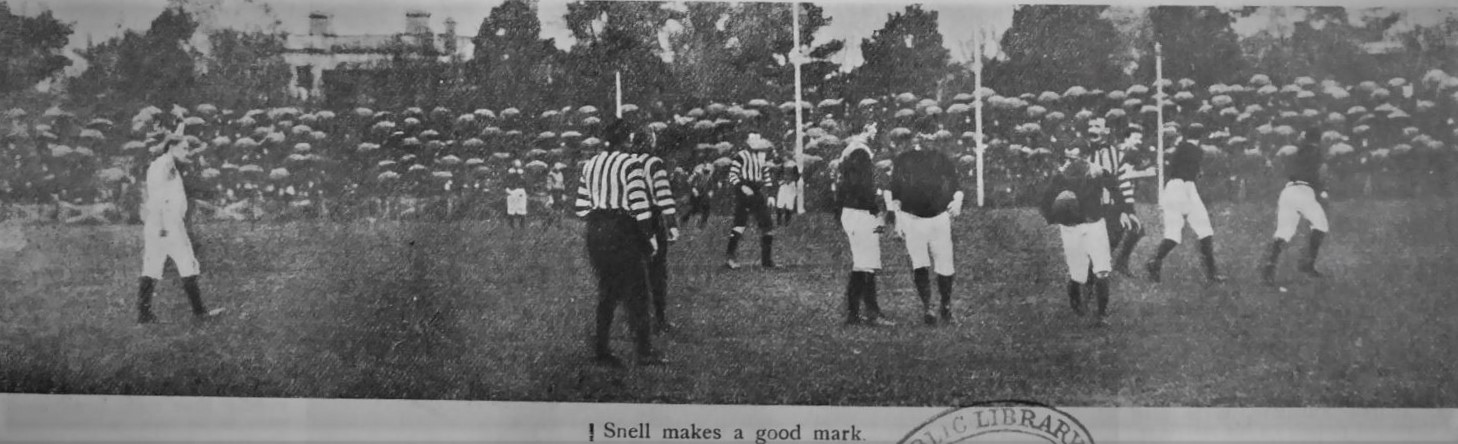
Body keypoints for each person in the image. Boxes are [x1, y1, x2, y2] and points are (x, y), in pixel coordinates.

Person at [574, 119, 663, 367]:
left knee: (607, 290)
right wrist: (650, 237)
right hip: (621, 230)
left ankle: (601, 349)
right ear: (627, 140)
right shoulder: (630, 164)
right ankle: (644, 351)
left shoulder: (590, 164)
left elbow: (581, 207)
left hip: (595, 230)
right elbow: (640, 206)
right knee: (637, 292)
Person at [136, 130, 224, 324]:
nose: (187, 152)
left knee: (154, 267)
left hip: (163, 223)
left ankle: (144, 315)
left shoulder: (167, 164)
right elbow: (158, 198)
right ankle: (199, 313)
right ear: (172, 147)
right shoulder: (163, 166)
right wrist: (163, 226)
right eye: (184, 148)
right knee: (185, 264)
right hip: (166, 224)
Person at [885, 118, 963, 325]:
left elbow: (957, 185)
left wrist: (958, 200)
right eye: (926, 134)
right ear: (917, 136)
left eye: (933, 134)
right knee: (919, 264)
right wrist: (898, 221)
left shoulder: (941, 158)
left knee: (945, 265)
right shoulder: (903, 160)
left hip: (939, 217)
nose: (930, 138)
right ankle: (928, 307)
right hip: (912, 218)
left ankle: (946, 306)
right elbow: (895, 193)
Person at [1039, 146, 1119, 323]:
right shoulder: (1061, 176)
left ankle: (1101, 314)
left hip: (1094, 224)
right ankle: (1077, 309)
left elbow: (1116, 188)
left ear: (1086, 157)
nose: (1071, 162)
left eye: (1075, 158)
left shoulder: (1098, 172)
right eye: (1068, 158)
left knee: (1102, 270)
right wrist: (1056, 217)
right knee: (1078, 274)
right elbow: (1045, 201)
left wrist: (1123, 211)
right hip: (1071, 227)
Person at [1146, 125, 1227, 284]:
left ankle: (1155, 261)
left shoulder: (1180, 148)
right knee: (1205, 231)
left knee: (1173, 234)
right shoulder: (1196, 150)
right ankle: (1212, 274)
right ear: (1201, 137)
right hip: (1186, 188)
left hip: (1173, 188)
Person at [837, 122, 893, 326]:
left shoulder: (852, 150)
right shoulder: (860, 151)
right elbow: (860, 185)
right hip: (860, 212)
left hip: (854, 211)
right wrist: (876, 207)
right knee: (865, 264)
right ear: (863, 129)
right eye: (873, 127)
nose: (876, 131)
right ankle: (869, 313)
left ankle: (857, 313)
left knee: (865, 263)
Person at [1260, 128, 1331, 286]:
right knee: (1321, 226)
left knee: (1284, 232)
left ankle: (1270, 266)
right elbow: (1322, 173)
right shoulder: (1318, 154)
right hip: (1304, 192)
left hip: (1288, 191)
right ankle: (1308, 264)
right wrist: (1323, 190)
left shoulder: (1295, 152)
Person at [635, 127, 681, 334]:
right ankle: (660, 319)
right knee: (657, 271)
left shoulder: (627, 163)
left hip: (631, 219)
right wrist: (671, 224)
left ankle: (637, 320)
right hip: (651, 218)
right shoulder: (655, 164)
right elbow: (664, 196)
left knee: (635, 272)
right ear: (650, 143)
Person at [724, 132, 777, 269]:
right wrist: (742, 186)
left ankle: (766, 260)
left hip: (757, 192)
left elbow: (766, 176)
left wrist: (771, 194)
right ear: (748, 143)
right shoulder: (741, 156)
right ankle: (730, 257)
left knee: (767, 225)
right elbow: (732, 175)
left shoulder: (761, 157)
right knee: (739, 225)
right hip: (744, 192)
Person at [680, 164, 714, 228]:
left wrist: (710, 192)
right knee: (693, 209)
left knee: (706, 209)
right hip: (695, 195)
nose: (706, 173)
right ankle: (684, 220)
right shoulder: (698, 175)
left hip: (703, 195)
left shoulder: (709, 177)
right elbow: (692, 184)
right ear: (703, 170)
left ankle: (702, 224)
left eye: (708, 172)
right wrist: (694, 190)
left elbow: (711, 186)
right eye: (705, 171)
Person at [775, 159, 802, 226]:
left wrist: (791, 180)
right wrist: (781, 181)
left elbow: (797, 176)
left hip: (791, 186)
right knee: (780, 203)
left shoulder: (794, 165)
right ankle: (779, 221)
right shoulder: (782, 165)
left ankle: (787, 222)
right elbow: (777, 175)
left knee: (789, 204)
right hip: (783, 186)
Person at [504, 160, 527, 228]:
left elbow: (525, 183)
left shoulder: (521, 173)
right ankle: (513, 226)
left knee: (521, 210)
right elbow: (505, 183)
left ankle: (520, 226)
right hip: (513, 191)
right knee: (512, 210)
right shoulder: (510, 173)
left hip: (518, 191)